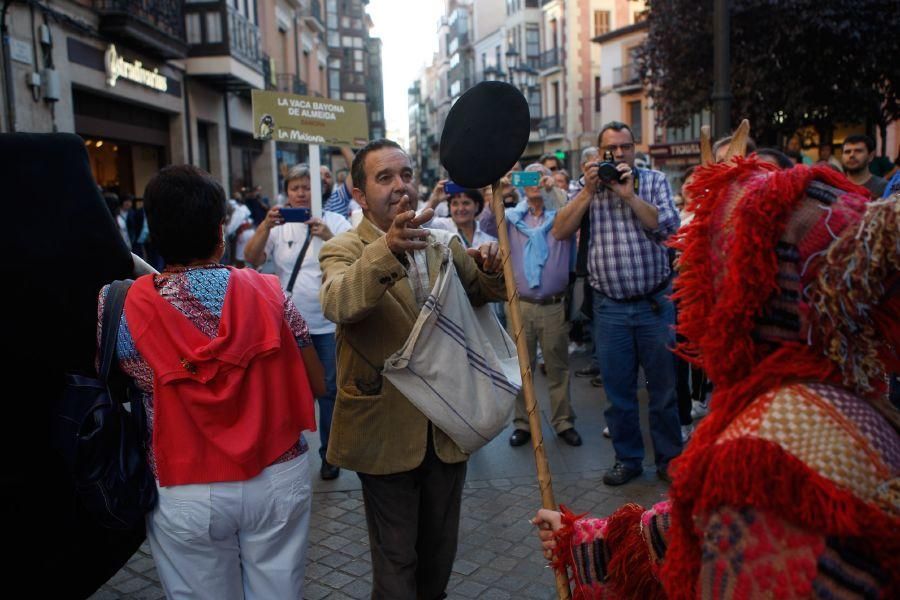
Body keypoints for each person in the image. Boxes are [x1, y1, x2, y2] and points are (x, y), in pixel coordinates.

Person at [533, 162, 900, 599]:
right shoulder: (854, 394)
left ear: (746, 292)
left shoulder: (758, 456)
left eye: (705, 269)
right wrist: (580, 539)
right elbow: (688, 523)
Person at [98, 164, 325, 600]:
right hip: (276, 473)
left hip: (183, 482)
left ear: (154, 233)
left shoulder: (117, 305)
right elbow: (316, 382)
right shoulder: (272, 293)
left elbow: (121, 376)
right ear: (221, 232)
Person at [318, 139, 506, 599]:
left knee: (438, 558)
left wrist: (493, 268)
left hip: (447, 427)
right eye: (384, 178)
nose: (400, 186)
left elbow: (481, 292)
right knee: (397, 561)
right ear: (358, 194)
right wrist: (386, 250)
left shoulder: (442, 240)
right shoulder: (341, 247)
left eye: (405, 175)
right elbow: (339, 302)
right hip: (384, 433)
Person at [552, 121, 683, 485]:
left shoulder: (653, 181)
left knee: (663, 390)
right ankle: (628, 460)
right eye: (612, 149)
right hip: (609, 309)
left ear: (634, 148)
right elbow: (561, 231)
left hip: (654, 303)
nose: (620, 154)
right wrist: (588, 192)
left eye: (626, 147)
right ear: (600, 153)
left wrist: (628, 195)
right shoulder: (586, 187)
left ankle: (670, 460)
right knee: (618, 393)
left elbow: (667, 227)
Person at [244, 164, 352, 481]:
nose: (301, 193)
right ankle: (288, 454)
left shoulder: (335, 221)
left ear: (321, 191)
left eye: (308, 187)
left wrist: (329, 237)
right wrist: (264, 225)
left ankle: (330, 455)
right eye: (295, 187)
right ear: (287, 192)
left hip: (328, 323)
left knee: (330, 391)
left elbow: (358, 258)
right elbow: (252, 258)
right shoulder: (277, 225)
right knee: (288, 389)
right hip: (288, 324)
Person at [482, 162, 583, 448]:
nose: (536, 181)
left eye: (542, 176)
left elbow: (577, 210)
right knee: (521, 368)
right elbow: (488, 224)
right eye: (530, 176)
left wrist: (554, 190)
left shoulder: (561, 217)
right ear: (522, 184)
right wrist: (499, 190)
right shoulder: (512, 217)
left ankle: (563, 422)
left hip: (553, 305)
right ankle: (523, 423)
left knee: (557, 368)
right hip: (520, 305)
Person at [422, 182, 496, 248]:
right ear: (449, 207)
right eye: (455, 204)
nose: (460, 208)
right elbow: (420, 226)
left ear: (476, 206)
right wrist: (434, 201)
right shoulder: (441, 225)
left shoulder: (486, 228)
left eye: (466, 203)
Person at [841, 134, 888, 198]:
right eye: (847, 152)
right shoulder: (833, 185)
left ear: (871, 156)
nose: (851, 155)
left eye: (858, 151)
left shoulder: (884, 187)